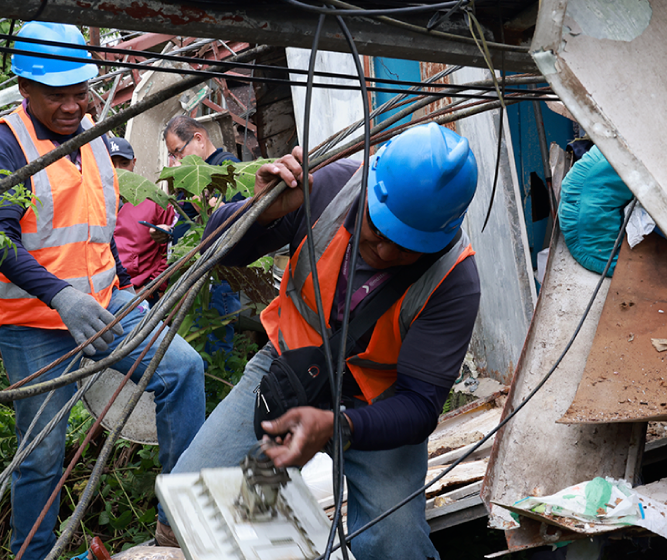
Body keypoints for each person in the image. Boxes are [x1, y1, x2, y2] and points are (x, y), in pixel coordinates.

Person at [157, 122, 481, 559]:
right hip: (287, 368)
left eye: (405, 246)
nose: (383, 251)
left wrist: (340, 426)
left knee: (395, 543)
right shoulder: (324, 189)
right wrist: (261, 209)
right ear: (369, 189)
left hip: (376, 406)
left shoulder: (454, 281)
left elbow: (421, 405)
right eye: (377, 229)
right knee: (192, 494)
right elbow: (219, 250)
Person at [0, 22, 204, 559]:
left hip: (103, 304)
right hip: (34, 323)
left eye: (80, 92)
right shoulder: (3, 146)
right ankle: (35, 554)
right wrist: (60, 296)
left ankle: (178, 524)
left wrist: (120, 284)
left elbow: (100, 226)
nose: (73, 106)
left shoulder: (96, 136)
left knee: (182, 370)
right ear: (25, 89)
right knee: (43, 452)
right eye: (58, 96)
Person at [161, 115, 242, 362]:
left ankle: (219, 392)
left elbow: (236, 216)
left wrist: (200, 200)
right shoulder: (190, 173)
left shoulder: (226, 166)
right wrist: (167, 232)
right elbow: (186, 220)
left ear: (198, 138)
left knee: (218, 337)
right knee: (194, 338)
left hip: (221, 271)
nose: (176, 160)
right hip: (195, 270)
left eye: (178, 152)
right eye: (172, 156)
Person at [110, 137, 176, 306]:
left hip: (142, 293)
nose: (118, 171)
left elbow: (168, 253)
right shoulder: (89, 200)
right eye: (111, 163)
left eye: (124, 163)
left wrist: (149, 289)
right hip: (100, 294)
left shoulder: (155, 201)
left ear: (134, 162)